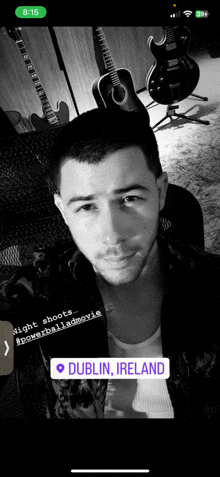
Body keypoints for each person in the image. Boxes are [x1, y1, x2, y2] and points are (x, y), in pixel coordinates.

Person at [0, 107, 220, 419]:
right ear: (63, 211)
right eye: (87, 206)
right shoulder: (37, 290)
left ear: (160, 192)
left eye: (129, 199)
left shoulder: (211, 284)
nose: (112, 235)